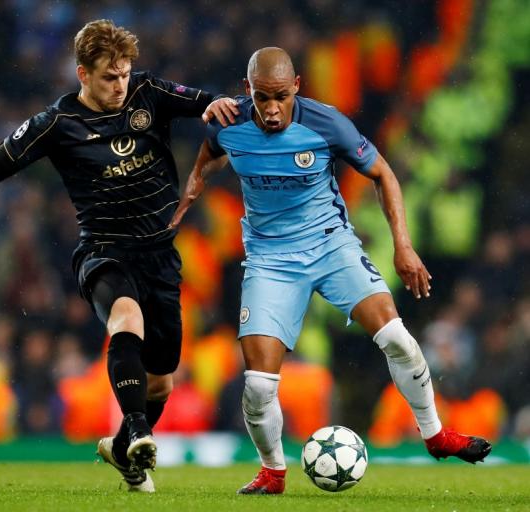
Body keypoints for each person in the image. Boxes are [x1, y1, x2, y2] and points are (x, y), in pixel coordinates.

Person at [0, 19, 238, 493]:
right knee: (125, 318)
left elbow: (207, 103)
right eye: (109, 77)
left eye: (125, 73)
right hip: (103, 253)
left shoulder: (148, 92)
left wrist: (217, 103)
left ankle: (125, 446)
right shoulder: (57, 123)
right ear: (82, 74)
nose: (120, 85)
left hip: (160, 257)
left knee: (162, 383)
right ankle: (141, 431)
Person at [170, 47, 492, 495]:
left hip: (330, 246)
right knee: (259, 386)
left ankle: (435, 435)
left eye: (280, 96)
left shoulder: (326, 124)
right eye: (262, 98)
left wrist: (403, 246)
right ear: (248, 91)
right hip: (269, 260)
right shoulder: (229, 122)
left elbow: (384, 174)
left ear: (297, 86)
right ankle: (273, 472)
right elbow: (212, 151)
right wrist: (195, 183)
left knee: (397, 338)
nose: (271, 108)